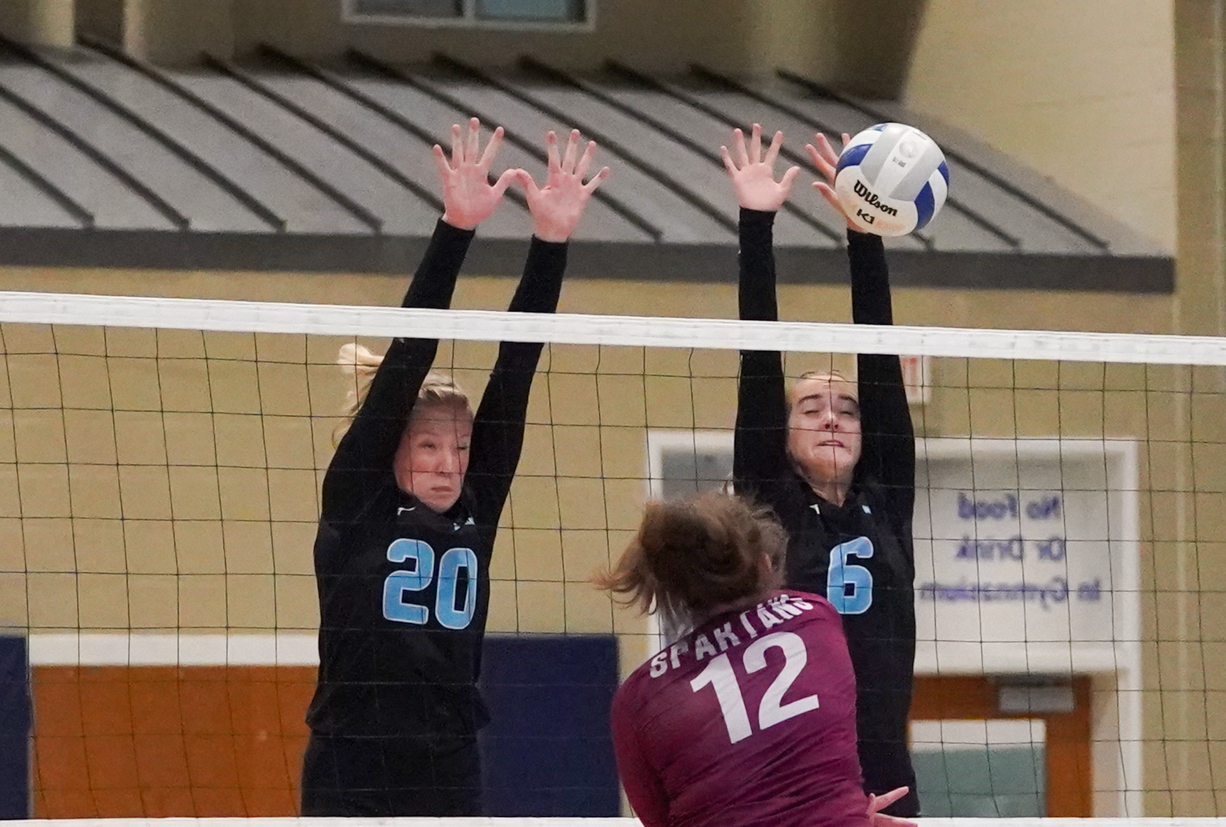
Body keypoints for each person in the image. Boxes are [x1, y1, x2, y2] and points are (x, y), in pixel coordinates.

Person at [300, 119, 609, 816]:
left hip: (448, 757)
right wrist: (457, 228)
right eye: (429, 447)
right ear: (393, 449)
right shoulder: (357, 499)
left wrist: (550, 242)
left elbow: (517, 365)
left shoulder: (476, 503)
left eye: (461, 448)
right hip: (352, 754)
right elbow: (408, 355)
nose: (450, 465)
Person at [723, 124, 920, 817]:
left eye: (846, 409)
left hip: (886, 767)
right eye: (811, 408)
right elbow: (759, 360)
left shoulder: (887, 500)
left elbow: (879, 354)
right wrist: (756, 226)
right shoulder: (768, 502)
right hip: (790, 768)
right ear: (782, 435)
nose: (833, 418)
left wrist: (864, 231)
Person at [601, 492, 914, 827]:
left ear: (673, 591)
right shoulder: (815, 618)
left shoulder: (638, 698)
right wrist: (839, 812)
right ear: (765, 563)